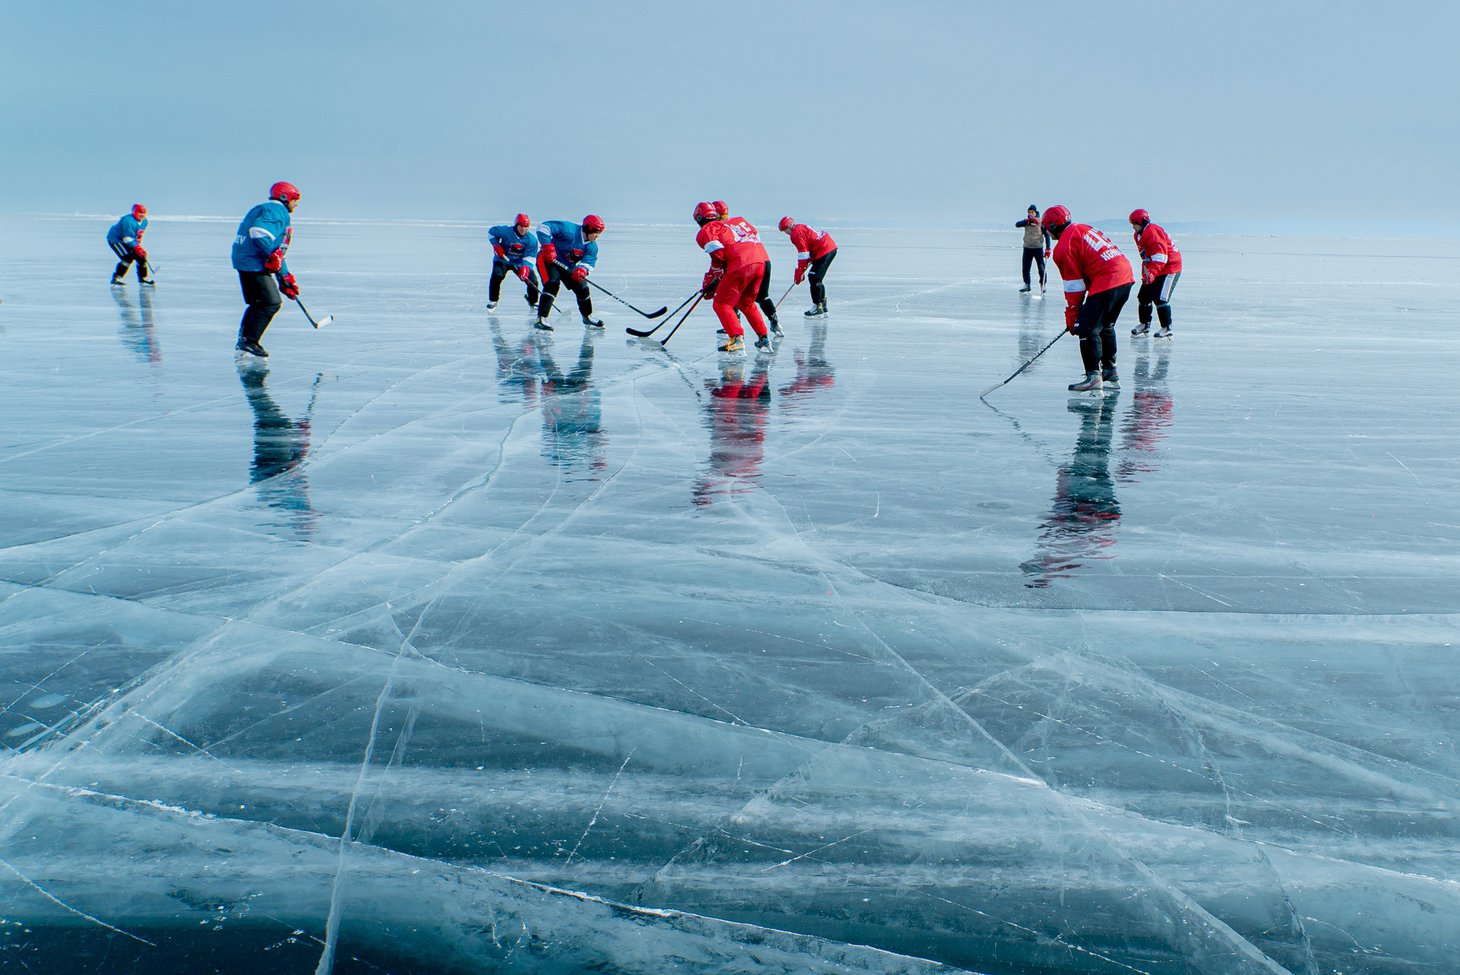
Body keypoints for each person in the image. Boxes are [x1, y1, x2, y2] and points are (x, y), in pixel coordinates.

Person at [1045, 204, 1134, 393]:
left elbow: (1074, 286)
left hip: (1108, 279)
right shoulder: (1083, 228)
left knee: (1086, 328)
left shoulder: (1063, 247)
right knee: (1105, 325)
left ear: (1052, 227)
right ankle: (1110, 370)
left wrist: (1073, 314)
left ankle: (1093, 376)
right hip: (1125, 277)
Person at [230, 181, 303, 358]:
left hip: (245, 260)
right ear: (285, 198)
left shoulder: (263, 209)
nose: (296, 204)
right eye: (295, 200)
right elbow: (259, 232)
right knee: (271, 303)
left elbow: (277, 253)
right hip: (253, 263)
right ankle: (249, 341)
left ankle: (245, 340)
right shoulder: (277, 211)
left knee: (258, 303)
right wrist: (271, 255)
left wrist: (285, 278)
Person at [695, 201, 773, 354]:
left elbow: (718, 255)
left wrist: (712, 279)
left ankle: (737, 339)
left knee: (721, 303)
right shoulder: (732, 224)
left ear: (698, 218)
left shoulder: (707, 230)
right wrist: (713, 277)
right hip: (760, 262)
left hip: (741, 264)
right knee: (746, 302)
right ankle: (764, 338)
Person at [716, 201, 781, 336]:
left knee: (732, 293)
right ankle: (774, 321)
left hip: (746, 261)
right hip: (763, 259)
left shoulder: (722, 227)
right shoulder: (740, 221)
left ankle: (734, 324)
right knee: (762, 296)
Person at [535, 215, 605, 331]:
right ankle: (541, 318)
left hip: (567, 266)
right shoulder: (568, 230)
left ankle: (587, 316)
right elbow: (543, 227)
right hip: (548, 260)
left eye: (599, 233)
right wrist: (547, 247)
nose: (597, 236)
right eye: (596, 232)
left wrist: (582, 270)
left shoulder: (592, 246)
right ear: (588, 229)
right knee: (552, 284)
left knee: (582, 287)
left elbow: (589, 262)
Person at [1128, 209, 1183, 339]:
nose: (1133, 226)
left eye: (1134, 223)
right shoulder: (1138, 235)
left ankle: (1167, 328)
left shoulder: (1152, 232)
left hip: (1170, 268)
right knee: (1144, 297)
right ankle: (1144, 324)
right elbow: (1146, 257)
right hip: (1155, 268)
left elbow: (1161, 256)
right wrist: (1146, 274)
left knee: (1160, 298)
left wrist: (1153, 272)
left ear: (1142, 222)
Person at [777, 217, 838, 317]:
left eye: (785, 230)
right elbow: (809, 247)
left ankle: (817, 307)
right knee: (816, 278)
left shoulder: (795, 234)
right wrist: (802, 269)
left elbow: (803, 254)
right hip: (826, 248)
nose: (785, 233)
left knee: (814, 277)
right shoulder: (800, 227)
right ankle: (822, 306)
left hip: (825, 250)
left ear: (789, 227)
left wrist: (800, 272)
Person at [487, 213, 541, 311]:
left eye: (526, 227)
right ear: (516, 225)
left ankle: (533, 301)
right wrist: (496, 245)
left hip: (520, 263)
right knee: (497, 276)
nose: (523, 229)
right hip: (503, 259)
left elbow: (530, 257)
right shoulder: (505, 231)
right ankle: (493, 300)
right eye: (521, 226)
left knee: (532, 281)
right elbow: (491, 233)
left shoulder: (531, 240)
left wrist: (525, 268)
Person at [107, 203, 154, 285]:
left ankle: (143, 278)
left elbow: (138, 235)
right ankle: (117, 278)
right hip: (116, 240)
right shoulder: (127, 221)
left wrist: (138, 248)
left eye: (144, 213)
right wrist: (137, 248)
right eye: (140, 213)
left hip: (130, 240)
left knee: (141, 258)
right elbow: (126, 238)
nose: (142, 215)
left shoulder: (144, 222)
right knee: (128, 258)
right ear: (135, 212)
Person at [1014, 204, 1051, 293]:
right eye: (1029, 212)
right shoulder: (1026, 222)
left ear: (1035, 213)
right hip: (1027, 248)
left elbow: (1047, 235)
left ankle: (1043, 285)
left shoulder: (1040, 222)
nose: (1030, 214)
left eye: (1032, 212)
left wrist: (1048, 248)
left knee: (1041, 268)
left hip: (1038, 248)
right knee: (1025, 268)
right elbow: (1017, 224)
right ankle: (1027, 285)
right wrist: (1027, 221)